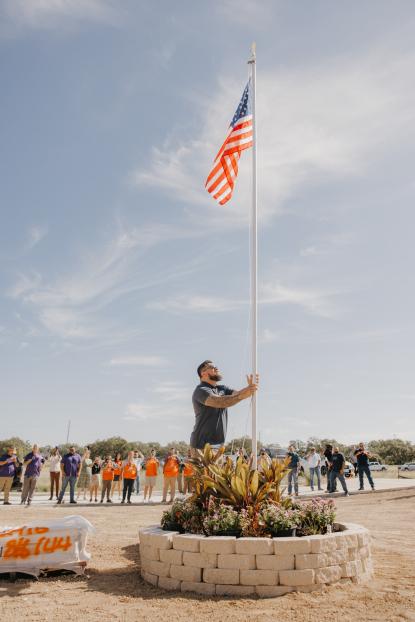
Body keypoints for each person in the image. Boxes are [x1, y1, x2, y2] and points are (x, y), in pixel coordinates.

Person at [190, 360, 259, 450]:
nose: (216, 368)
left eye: (216, 366)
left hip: (219, 446)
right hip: (201, 446)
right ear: (203, 373)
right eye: (212, 367)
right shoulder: (201, 390)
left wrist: (250, 387)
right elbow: (220, 402)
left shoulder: (222, 388)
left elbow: (237, 394)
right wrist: (244, 394)